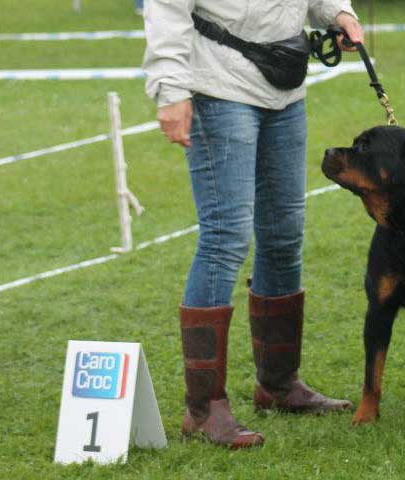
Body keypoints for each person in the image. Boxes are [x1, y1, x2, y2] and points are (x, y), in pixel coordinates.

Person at [142, 1, 364, 448]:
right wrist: (171, 89)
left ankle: (279, 385)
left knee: (284, 233)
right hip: (218, 84)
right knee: (226, 237)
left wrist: (340, 14)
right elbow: (166, 8)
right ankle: (203, 409)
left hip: (284, 84)